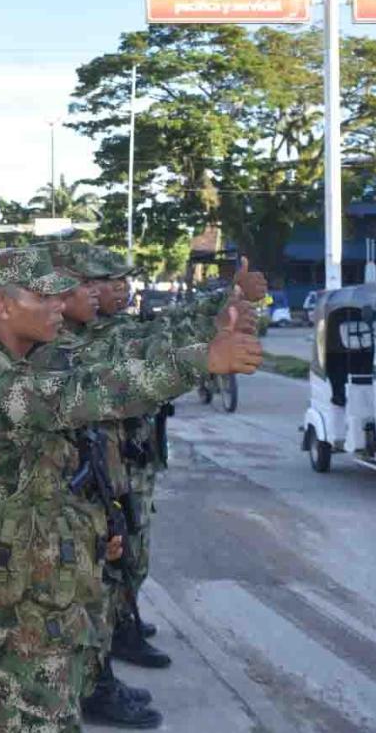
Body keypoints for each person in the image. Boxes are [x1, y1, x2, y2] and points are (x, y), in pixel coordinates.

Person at [0, 246, 259, 733]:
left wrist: (93, 531)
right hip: (22, 608)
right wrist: (202, 359)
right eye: (44, 295)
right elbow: (83, 395)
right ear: (3, 306)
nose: (59, 304)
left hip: (54, 586)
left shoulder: (33, 362)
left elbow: (56, 468)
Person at [88, 248, 266, 672]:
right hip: (112, 467)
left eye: (123, 280)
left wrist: (227, 298)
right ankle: (112, 639)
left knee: (135, 549)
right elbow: (164, 342)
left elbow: (170, 324)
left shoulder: (120, 326)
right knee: (116, 556)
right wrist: (208, 342)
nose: (120, 287)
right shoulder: (86, 339)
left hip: (136, 458)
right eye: (109, 280)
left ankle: (122, 622)